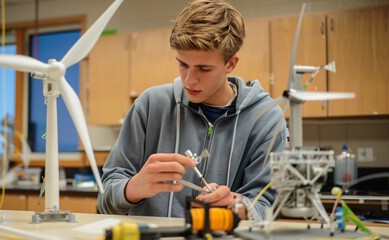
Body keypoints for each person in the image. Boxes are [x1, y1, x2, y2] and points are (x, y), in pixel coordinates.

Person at [98, 0, 287, 219]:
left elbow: (267, 206)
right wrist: (133, 188)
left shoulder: (266, 119)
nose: (189, 80)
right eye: (182, 64)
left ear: (231, 64)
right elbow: (105, 201)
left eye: (203, 69)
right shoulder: (150, 105)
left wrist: (236, 206)